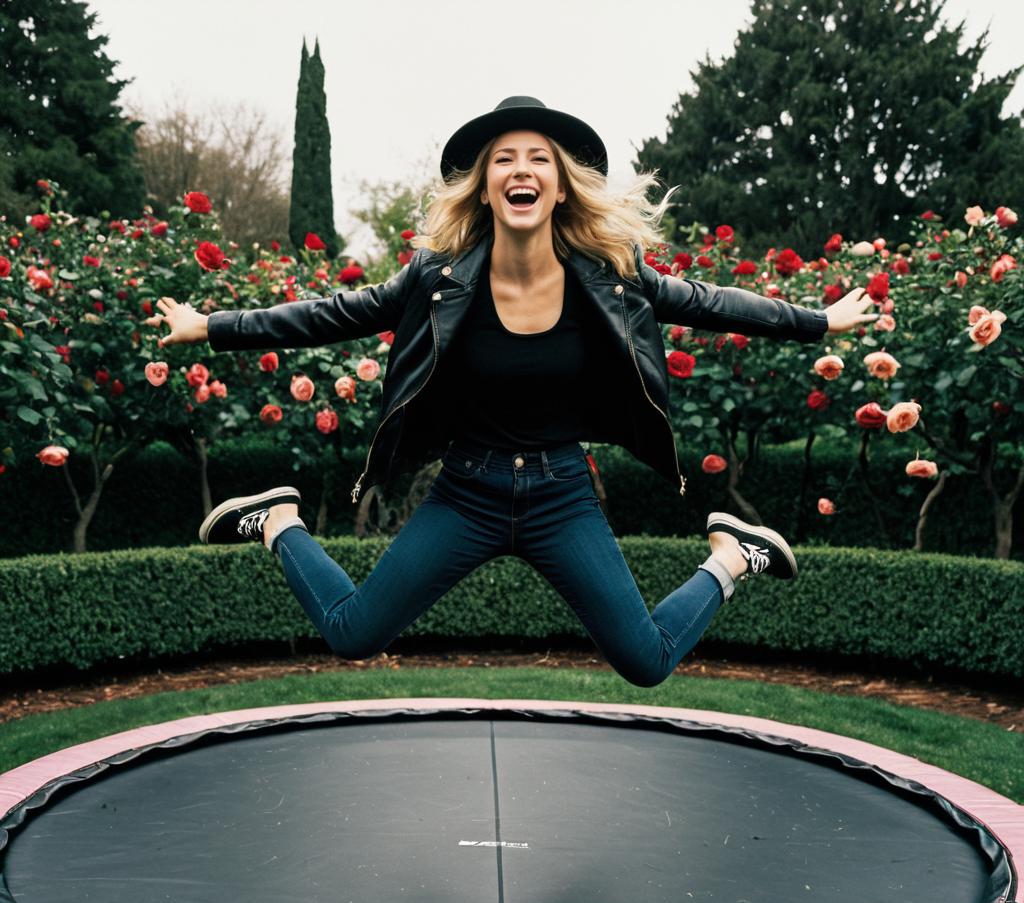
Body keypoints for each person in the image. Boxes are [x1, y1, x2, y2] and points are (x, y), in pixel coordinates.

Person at [146, 96, 876, 687]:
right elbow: (333, 313)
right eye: (504, 160)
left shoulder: (611, 274)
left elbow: (712, 302)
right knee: (352, 633)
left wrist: (820, 321)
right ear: (487, 185)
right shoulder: (438, 278)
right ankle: (277, 522)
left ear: (559, 186)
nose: (520, 170)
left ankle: (732, 554)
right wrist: (210, 324)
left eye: (537, 160)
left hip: (562, 493)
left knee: (648, 661)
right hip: (469, 491)